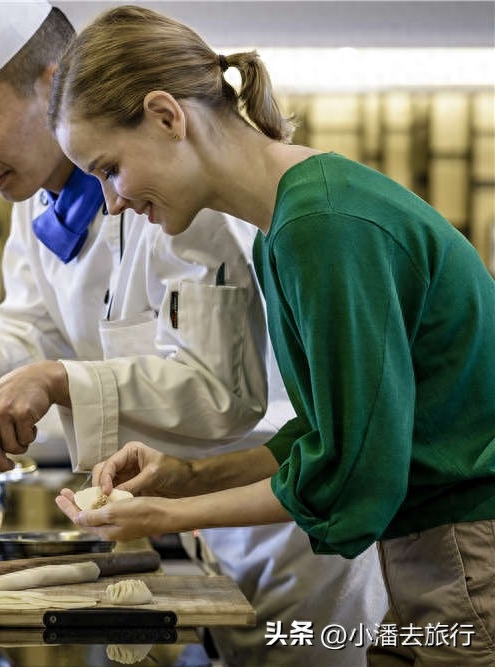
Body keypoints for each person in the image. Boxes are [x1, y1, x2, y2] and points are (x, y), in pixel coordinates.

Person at [0, 3, 388, 665]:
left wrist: (59, 379)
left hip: (289, 530)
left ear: (52, 84)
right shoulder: (38, 205)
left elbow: (219, 390)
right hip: (193, 507)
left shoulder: (186, 199)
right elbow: (32, 329)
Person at [48, 6, 495, 666]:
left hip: (464, 552)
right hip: (435, 550)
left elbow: (350, 476)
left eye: (109, 167)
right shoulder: (288, 225)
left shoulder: (323, 224)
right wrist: (183, 479)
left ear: (168, 115)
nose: (111, 200)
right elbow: (327, 435)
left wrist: (170, 517)